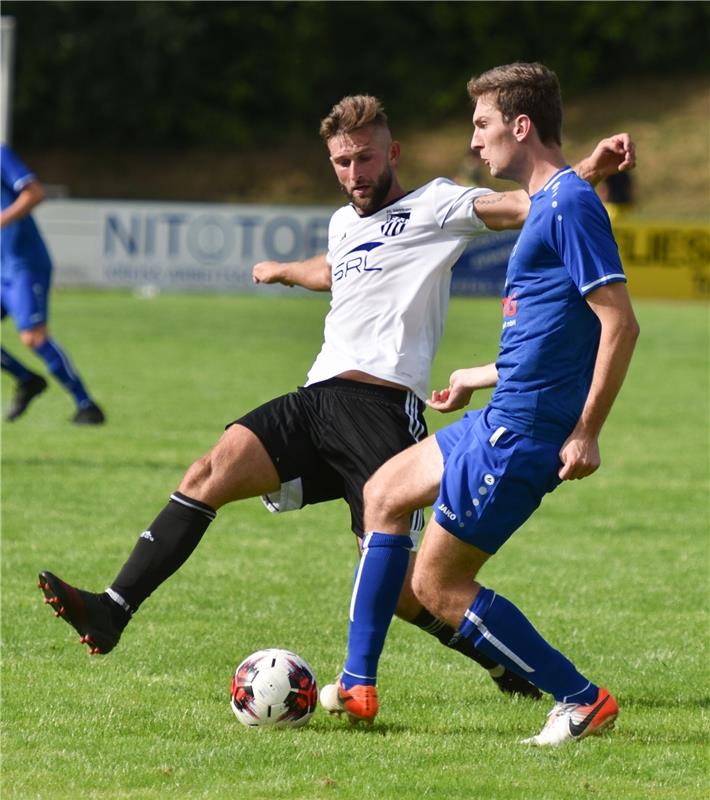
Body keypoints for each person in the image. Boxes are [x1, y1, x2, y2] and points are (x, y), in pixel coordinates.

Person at [38, 95, 632, 705]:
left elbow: (522, 204)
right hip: (316, 399)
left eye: (365, 159)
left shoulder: (437, 204)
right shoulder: (343, 223)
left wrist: (586, 167)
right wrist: (283, 270)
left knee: (408, 591)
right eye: (341, 162)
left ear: (391, 153)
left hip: (381, 410)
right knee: (208, 470)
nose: (354, 173)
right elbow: (335, 267)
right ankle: (112, 609)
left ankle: (506, 664)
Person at [320, 65, 639, 749]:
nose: (475, 142)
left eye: (482, 125)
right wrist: (479, 373)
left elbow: (618, 324)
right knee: (384, 492)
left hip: (524, 433)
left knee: (437, 585)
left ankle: (581, 699)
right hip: (497, 413)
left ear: (520, 127)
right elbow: (556, 330)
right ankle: (357, 683)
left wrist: (586, 432)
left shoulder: (569, 207)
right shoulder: (556, 201)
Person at [1, 145, 105, 424]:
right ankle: (27, 380)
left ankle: (87, 406)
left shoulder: (1, 155)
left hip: (25, 266)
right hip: (1, 268)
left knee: (33, 337)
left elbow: (34, 193)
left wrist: (2, 220)